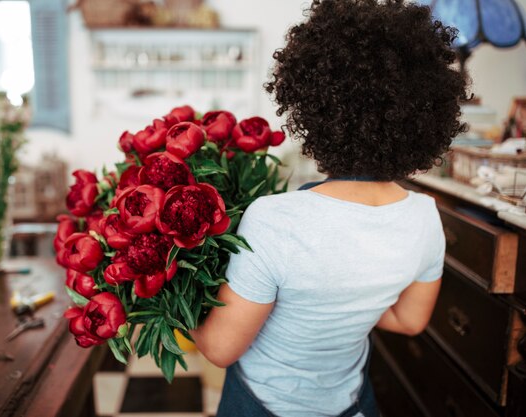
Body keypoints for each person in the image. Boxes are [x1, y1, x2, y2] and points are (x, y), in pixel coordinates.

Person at [189, 1, 468, 416]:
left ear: (314, 108)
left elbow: (218, 348)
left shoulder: (273, 220)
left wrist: (174, 290)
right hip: (353, 406)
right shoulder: (425, 217)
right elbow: (409, 321)